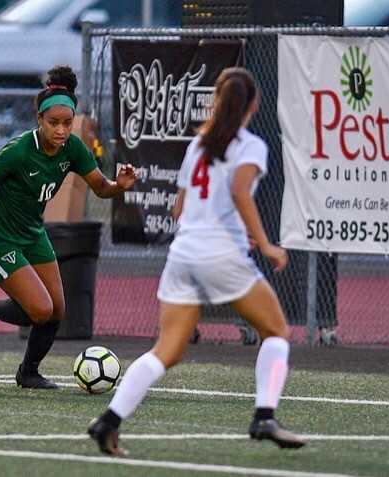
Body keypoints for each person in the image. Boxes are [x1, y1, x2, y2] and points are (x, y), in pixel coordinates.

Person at [87, 67, 306, 454]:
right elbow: (240, 191)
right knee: (276, 332)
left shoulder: (198, 145)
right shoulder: (250, 145)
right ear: (254, 103)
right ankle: (264, 416)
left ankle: (108, 421)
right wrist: (267, 244)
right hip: (219, 253)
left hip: (185, 252)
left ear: (216, 101)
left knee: (166, 350)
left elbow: (178, 210)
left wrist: (237, 229)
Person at [0, 65, 137, 389]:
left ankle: (29, 372)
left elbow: (100, 187)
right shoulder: (21, 150)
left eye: (67, 123)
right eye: (53, 123)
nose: (61, 130)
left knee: (57, 310)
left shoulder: (73, 149)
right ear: (39, 120)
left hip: (31, 234)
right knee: (39, 309)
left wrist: (119, 185)